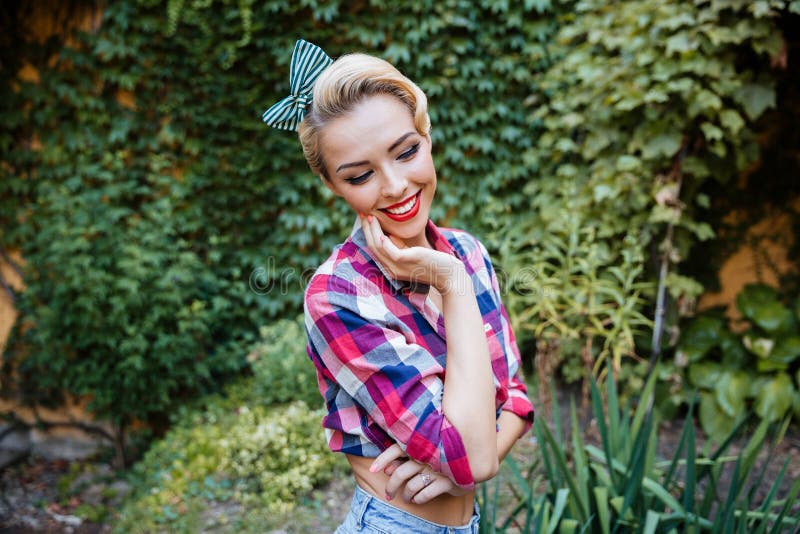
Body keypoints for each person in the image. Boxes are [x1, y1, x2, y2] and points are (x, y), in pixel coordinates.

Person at [263, 39, 535, 534]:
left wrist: (467, 464)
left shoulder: (469, 254)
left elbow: (515, 398)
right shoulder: (338, 296)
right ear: (333, 186)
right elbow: (471, 452)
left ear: (426, 136)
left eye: (406, 151)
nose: (393, 186)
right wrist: (452, 286)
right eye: (360, 175)